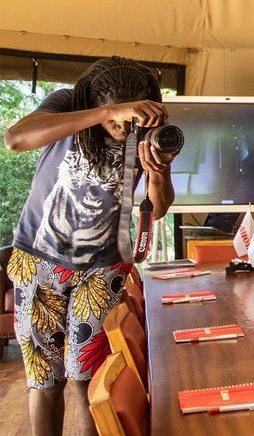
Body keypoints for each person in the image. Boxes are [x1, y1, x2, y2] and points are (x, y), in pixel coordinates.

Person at [3, 56, 178, 435]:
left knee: (87, 378)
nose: (120, 128)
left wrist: (158, 173)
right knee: (45, 381)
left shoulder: (148, 129)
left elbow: (159, 208)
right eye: (115, 119)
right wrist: (106, 112)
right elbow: (15, 139)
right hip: (40, 259)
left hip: (104, 267)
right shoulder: (68, 103)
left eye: (127, 120)